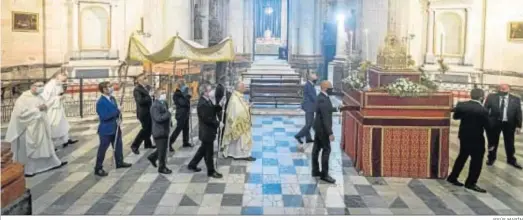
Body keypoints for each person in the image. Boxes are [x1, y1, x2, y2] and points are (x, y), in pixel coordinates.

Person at [4, 82, 68, 177]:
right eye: (39, 86)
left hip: (40, 127)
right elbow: (20, 115)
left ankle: (53, 163)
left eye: (42, 85)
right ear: (32, 87)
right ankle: (29, 170)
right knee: (31, 152)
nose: (41, 88)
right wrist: (37, 110)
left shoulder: (39, 97)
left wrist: (46, 106)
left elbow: (44, 107)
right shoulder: (23, 99)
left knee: (46, 147)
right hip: (29, 129)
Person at [447, 88, 490, 193]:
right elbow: (488, 127)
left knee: (462, 156)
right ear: (481, 97)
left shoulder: (462, 105)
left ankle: (453, 177)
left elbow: (456, 117)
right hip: (477, 138)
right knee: (476, 161)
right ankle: (470, 183)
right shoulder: (483, 110)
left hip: (464, 136)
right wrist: (492, 143)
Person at [94, 81, 131, 177]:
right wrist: (117, 111)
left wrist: (120, 118)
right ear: (104, 89)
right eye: (109, 87)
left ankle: (119, 162)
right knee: (103, 149)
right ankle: (98, 168)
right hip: (106, 130)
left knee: (118, 146)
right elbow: (104, 117)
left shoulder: (113, 98)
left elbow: (117, 112)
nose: (111, 88)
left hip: (116, 127)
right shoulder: (100, 102)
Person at [311, 80, 344, 184]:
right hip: (323, 129)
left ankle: (315, 171)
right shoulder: (324, 99)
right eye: (330, 88)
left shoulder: (321, 97)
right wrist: (330, 133)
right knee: (326, 150)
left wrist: (337, 108)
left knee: (316, 149)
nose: (332, 90)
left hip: (318, 127)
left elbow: (326, 110)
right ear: (325, 88)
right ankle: (324, 175)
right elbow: (325, 118)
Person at [187, 84, 223, 178]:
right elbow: (207, 118)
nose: (212, 91)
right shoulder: (202, 104)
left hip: (208, 131)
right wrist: (218, 123)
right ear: (205, 92)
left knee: (202, 150)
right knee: (209, 153)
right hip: (206, 132)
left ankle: (192, 164)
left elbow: (211, 109)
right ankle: (211, 171)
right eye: (210, 90)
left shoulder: (207, 100)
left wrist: (219, 106)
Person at [484, 84, 522, 169]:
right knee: (492, 142)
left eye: (505, 89)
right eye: (501, 89)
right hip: (494, 123)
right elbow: (485, 109)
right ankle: (491, 158)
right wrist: (486, 122)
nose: (503, 90)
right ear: (498, 89)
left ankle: (511, 159)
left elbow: (518, 113)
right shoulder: (491, 97)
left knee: (510, 142)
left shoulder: (515, 99)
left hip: (509, 124)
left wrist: (518, 126)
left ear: (509, 89)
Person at [41, 73, 78, 148]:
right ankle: (51, 146)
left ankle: (66, 140)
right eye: (63, 80)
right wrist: (58, 98)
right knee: (54, 126)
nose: (64, 82)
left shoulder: (58, 83)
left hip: (58, 107)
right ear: (57, 78)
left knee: (63, 124)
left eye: (65, 80)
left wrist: (61, 96)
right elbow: (46, 99)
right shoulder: (49, 86)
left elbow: (59, 93)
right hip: (52, 110)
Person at [220, 82, 255, 161]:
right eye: (243, 87)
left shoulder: (238, 96)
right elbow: (238, 112)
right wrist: (248, 107)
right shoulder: (235, 98)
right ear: (239, 88)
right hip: (238, 123)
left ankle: (234, 153)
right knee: (240, 140)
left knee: (237, 140)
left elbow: (241, 107)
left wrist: (247, 106)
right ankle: (242, 154)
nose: (245, 88)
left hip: (240, 123)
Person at [147, 88, 172, 174]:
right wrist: (168, 113)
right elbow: (158, 118)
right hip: (159, 131)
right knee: (162, 151)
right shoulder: (155, 106)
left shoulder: (164, 103)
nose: (164, 95)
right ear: (157, 95)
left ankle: (152, 157)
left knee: (162, 149)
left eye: (164, 93)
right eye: (162, 93)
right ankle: (162, 167)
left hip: (165, 130)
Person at [130, 75, 155, 155]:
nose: (147, 79)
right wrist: (149, 96)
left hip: (149, 111)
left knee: (149, 128)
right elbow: (140, 101)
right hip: (143, 113)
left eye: (146, 78)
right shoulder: (137, 89)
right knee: (145, 129)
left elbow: (151, 98)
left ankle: (148, 144)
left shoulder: (147, 88)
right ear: (140, 80)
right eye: (145, 78)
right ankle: (134, 145)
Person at [295, 73, 318, 148]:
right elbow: (312, 96)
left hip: (309, 106)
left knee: (309, 122)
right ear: (311, 78)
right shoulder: (308, 85)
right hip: (309, 106)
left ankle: (308, 138)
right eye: (315, 76)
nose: (316, 77)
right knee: (309, 123)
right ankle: (298, 135)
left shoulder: (310, 84)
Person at [169, 80, 193, 152]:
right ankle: (169, 143)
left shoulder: (183, 93)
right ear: (180, 86)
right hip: (181, 114)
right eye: (183, 85)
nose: (185, 87)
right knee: (178, 129)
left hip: (185, 113)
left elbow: (187, 103)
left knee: (186, 128)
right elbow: (183, 103)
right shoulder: (176, 94)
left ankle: (185, 142)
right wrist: (188, 96)